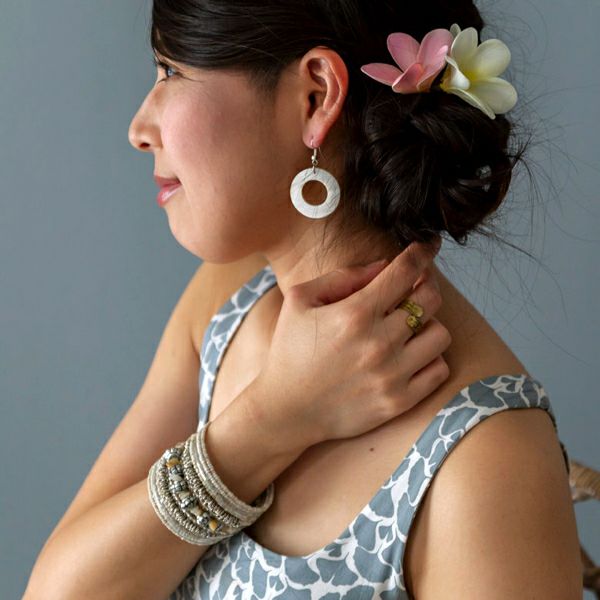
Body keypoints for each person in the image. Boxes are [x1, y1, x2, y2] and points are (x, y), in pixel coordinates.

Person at [25, 1, 582, 599]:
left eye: (171, 72)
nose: (138, 128)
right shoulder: (227, 300)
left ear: (316, 97)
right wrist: (270, 423)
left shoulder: (488, 460)